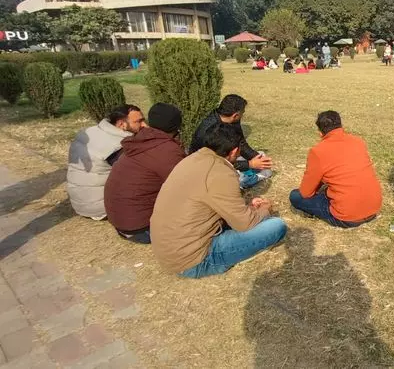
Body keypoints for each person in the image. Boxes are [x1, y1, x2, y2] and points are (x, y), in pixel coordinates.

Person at [151, 125, 287, 278]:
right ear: (234, 151)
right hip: (195, 260)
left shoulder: (191, 159)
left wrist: (247, 208)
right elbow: (245, 224)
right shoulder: (221, 173)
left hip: (170, 251)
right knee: (276, 226)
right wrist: (264, 210)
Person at [104, 103, 184, 244]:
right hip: (141, 229)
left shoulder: (141, 141)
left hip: (122, 222)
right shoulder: (167, 149)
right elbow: (186, 186)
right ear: (176, 127)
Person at [289, 111, 382, 228]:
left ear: (320, 132)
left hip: (347, 216)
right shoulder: (358, 142)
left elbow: (306, 192)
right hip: (373, 208)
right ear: (341, 125)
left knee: (295, 196)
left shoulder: (318, 151)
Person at [67, 105, 145, 220]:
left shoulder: (90, 132)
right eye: (139, 121)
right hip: (101, 207)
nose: (144, 125)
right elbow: (138, 175)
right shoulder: (118, 147)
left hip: (80, 202)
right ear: (121, 124)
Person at [189, 94, 273, 189]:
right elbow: (217, 163)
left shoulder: (233, 120)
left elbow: (240, 142)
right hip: (208, 168)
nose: (242, 116)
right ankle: (255, 178)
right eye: (242, 113)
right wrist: (250, 164)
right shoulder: (207, 131)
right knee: (239, 180)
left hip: (227, 158)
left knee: (261, 156)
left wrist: (256, 157)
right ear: (235, 115)